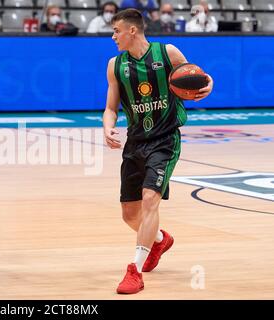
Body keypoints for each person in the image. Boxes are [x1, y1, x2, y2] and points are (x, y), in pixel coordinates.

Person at [103, 9, 213, 294]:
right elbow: (111, 107)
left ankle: (134, 271)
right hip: (135, 142)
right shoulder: (116, 65)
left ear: (132, 31)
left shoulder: (168, 53)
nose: (113, 36)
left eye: (116, 31)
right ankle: (160, 239)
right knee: (129, 214)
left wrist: (207, 83)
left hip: (164, 140)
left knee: (150, 198)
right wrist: (107, 127)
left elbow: (196, 77)